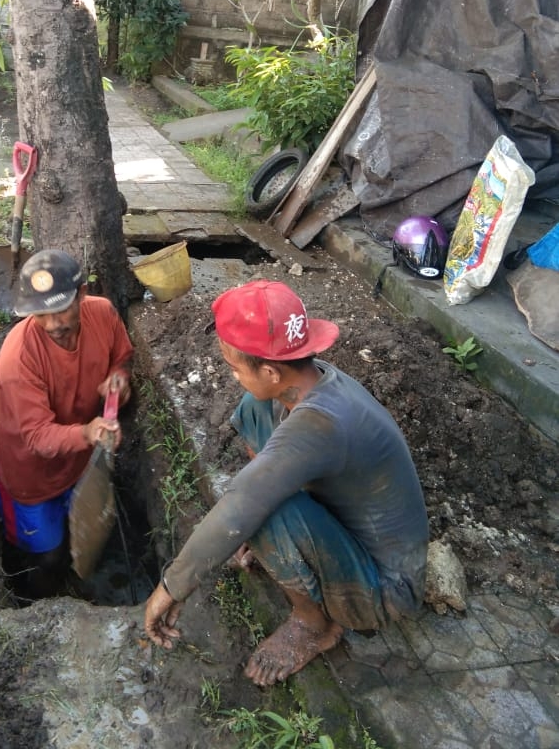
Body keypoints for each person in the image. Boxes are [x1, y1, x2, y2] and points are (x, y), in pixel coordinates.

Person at [144, 279, 428, 686]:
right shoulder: (311, 384)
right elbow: (259, 468)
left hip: (384, 587)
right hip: (347, 533)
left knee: (260, 510)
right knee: (254, 409)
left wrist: (170, 587)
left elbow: (242, 505)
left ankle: (315, 625)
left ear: (271, 370)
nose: (233, 375)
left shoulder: (322, 424)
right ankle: (283, 538)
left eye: (235, 367)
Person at [0, 249, 133, 600]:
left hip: (79, 461)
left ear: (82, 295)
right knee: (46, 555)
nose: (53, 324)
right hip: (31, 473)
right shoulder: (19, 356)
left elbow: (122, 355)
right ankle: (34, 604)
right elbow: (37, 437)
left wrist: (118, 378)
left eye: (62, 309)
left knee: (76, 535)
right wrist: (89, 432)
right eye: (42, 314)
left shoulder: (103, 314)